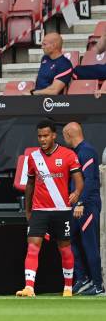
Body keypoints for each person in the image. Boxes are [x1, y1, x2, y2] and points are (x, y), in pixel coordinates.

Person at [16, 120, 84, 297]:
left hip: (62, 210)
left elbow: (79, 179)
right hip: (39, 210)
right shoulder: (33, 157)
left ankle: (68, 288)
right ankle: (29, 287)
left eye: (46, 135)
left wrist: (77, 192)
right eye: (39, 136)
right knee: (33, 246)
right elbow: (30, 183)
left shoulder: (68, 155)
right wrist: (28, 209)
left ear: (54, 135)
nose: (42, 139)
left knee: (65, 248)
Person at [63, 122, 104, 295]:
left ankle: (97, 284)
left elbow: (90, 181)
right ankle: (83, 278)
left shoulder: (86, 151)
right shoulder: (78, 152)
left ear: (68, 134)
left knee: (90, 244)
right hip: (77, 206)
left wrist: (80, 203)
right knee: (72, 239)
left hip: (86, 205)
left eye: (64, 135)